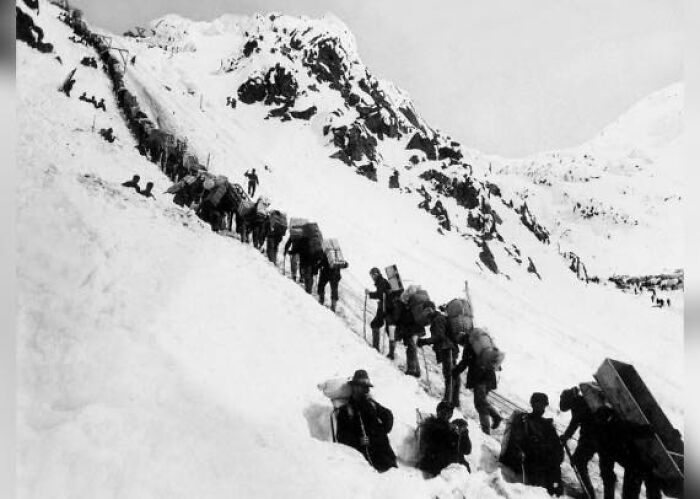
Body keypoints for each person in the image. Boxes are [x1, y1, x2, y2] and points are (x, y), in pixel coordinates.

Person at [336, 370, 398, 473]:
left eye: (366, 387)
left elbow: (388, 416)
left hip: (385, 453)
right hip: (365, 460)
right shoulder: (346, 410)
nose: (366, 390)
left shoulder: (371, 404)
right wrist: (359, 441)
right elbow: (342, 436)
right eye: (362, 387)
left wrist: (381, 431)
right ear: (354, 387)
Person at [594, 406, 660, 499]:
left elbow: (606, 466)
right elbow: (644, 430)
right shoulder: (619, 425)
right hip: (642, 465)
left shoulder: (605, 436)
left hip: (637, 466)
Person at [453, 333, 502, 434]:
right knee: (482, 401)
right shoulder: (482, 345)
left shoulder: (469, 347)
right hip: (490, 376)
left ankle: (486, 430)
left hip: (480, 378)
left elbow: (464, 362)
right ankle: (495, 416)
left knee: (480, 404)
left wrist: (454, 372)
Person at [516, 393, 564, 496]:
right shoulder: (525, 420)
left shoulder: (547, 424)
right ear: (533, 404)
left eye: (544, 405)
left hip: (549, 464)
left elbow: (557, 447)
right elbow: (522, 442)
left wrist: (555, 456)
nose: (542, 408)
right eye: (540, 405)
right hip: (535, 462)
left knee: (554, 489)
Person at [417, 302, 461, 408]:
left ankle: (448, 401)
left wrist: (424, 341)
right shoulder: (439, 318)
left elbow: (439, 337)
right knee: (453, 374)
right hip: (451, 348)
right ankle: (454, 400)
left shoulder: (438, 319)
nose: (426, 313)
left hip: (446, 349)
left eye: (427, 310)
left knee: (449, 375)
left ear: (431, 309)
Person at [559, 387, 599, 498]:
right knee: (579, 461)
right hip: (592, 438)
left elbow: (574, 423)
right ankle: (588, 492)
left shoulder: (578, 403)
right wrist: (566, 436)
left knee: (579, 462)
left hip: (591, 438)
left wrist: (565, 437)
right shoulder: (581, 401)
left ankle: (590, 494)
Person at [417, 401, 471, 477]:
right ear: (438, 412)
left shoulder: (450, 428)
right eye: (443, 411)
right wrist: (451, 430)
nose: (446, 415)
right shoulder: (431, 424)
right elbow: (437, 440)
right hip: (435, 465)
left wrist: (464, 434)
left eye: (449, 413)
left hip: (452, 468)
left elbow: (467, 450)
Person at [391, 298, 423, 377]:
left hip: (411, 330)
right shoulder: (414, 306)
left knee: (411, 349)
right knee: (413, 348)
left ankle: (412, 370)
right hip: (417, 329)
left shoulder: (401, 305)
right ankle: (417, 371)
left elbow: (398, 318)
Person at [365, 268, 394, 354]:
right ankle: (391, 353)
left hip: (384, 308)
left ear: (376, 274)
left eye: (373, 275)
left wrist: (369, 293)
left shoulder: (381, 282)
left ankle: (376, 347)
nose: (372, 277)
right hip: (390, 308)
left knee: (375, 324)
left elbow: (380, 294)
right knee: (390, 330)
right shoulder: (382, 281)